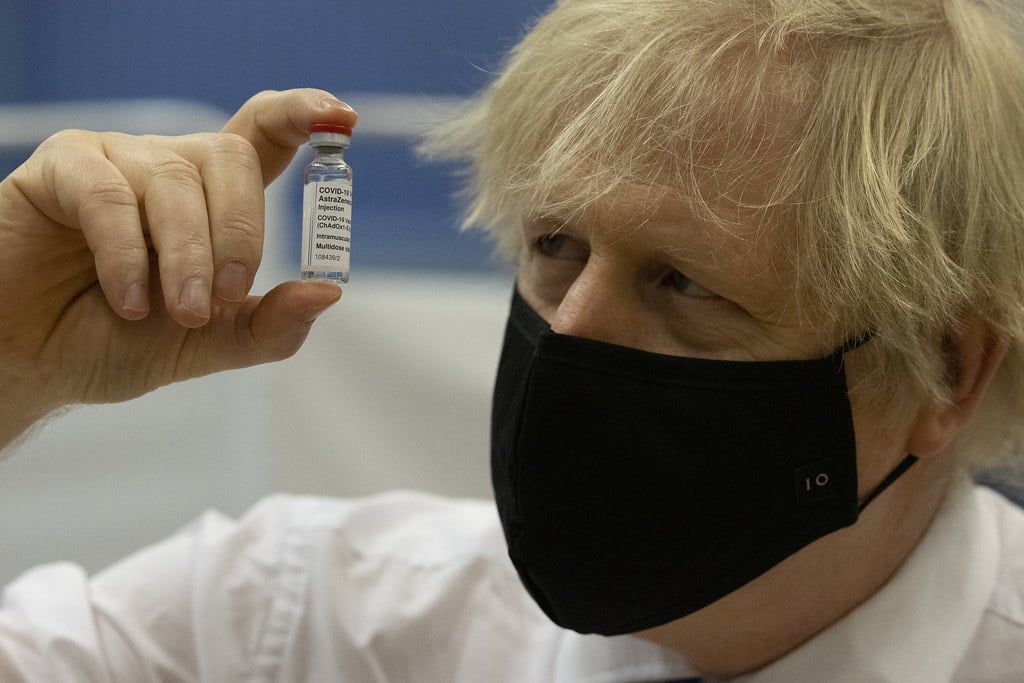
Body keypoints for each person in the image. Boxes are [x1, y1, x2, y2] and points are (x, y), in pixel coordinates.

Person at [1, 0, 1023, 680]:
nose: (571, 327)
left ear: (941, 367)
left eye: (684, 280)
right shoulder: (309, 620)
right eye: (554, 245)